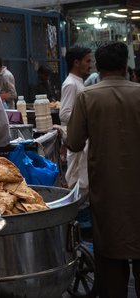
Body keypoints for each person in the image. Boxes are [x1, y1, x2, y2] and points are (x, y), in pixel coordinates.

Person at [66, 41, 140, 298]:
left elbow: (74, 142)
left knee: (111, 265)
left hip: (107, 192)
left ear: (98, 66)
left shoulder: (87, 96)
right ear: (125, 65)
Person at [60, 46, 92, 196]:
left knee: (83, 181)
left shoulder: (78, 82)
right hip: (77, 140)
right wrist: (86, 119)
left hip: (81, 139)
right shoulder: (71, 84)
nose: (90, 65)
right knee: (77, 182)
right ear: (76, 62)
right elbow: (64, 114)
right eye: (87, 61)